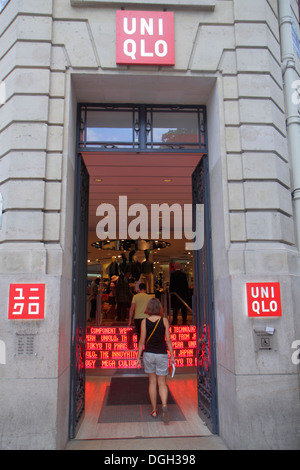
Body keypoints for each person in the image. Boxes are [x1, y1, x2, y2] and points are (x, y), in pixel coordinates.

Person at [136, 298, 175, 424]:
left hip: (148, 354)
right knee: (162, 383)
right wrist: (173, 356)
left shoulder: (144, 322)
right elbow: (168, 340)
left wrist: (138, 357)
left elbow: (141, 341)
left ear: (148, 308)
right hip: (162, 354)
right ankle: (164, 405)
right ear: (159, 308)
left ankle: (154, 410)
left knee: (152, 382)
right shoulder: (164, 320)